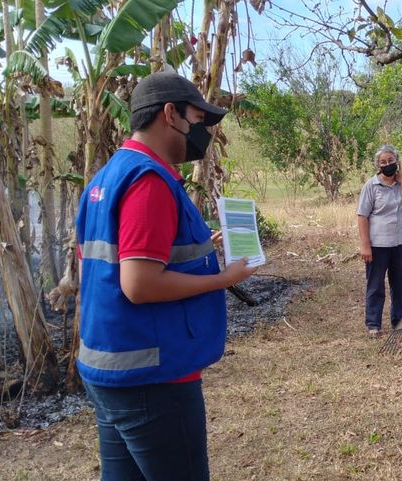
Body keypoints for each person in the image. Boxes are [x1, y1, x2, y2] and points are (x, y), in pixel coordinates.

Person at [76, 71, 257, 481]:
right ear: (170, 114)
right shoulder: (150, 181)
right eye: (197, 119)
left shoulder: (106, 178)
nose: (201, 133)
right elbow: (138, 283)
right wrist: (223, 279)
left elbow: (109, 263)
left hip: (110, 368)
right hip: (152, 377)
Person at [356, 145, 402, 336]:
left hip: (401, 242)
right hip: (377, 245)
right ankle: (373, 324)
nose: (388, 165)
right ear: (378, 165)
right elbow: (362, 216)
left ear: (397, 161)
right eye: (383, 162)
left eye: (391, 161)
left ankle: (398, 319)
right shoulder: (371, 186)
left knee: (398, 283)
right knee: (375, 284)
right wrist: (365, 245)